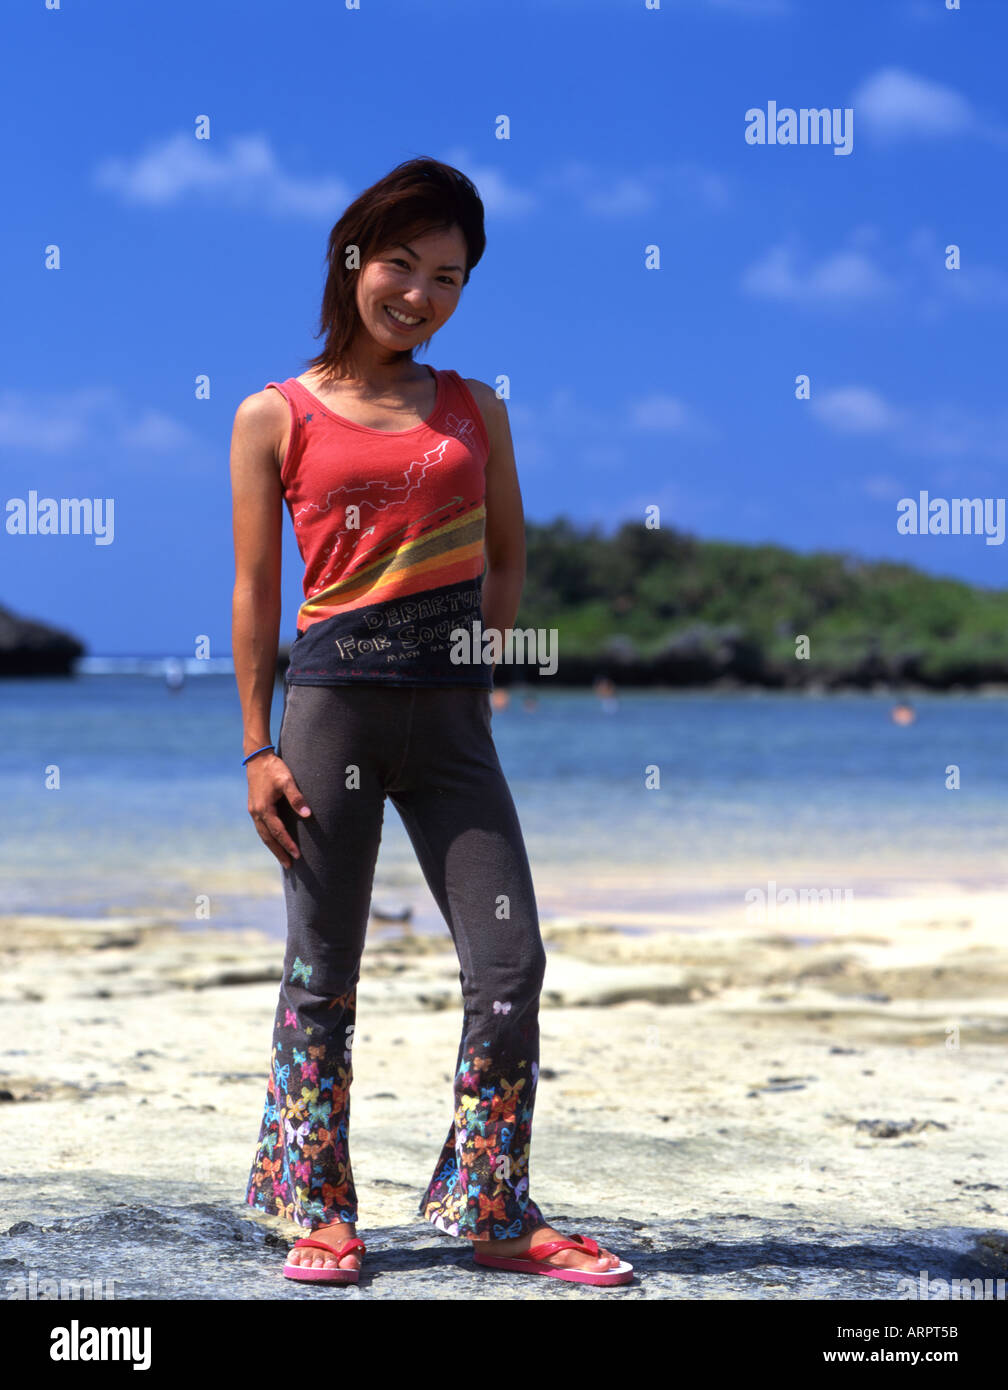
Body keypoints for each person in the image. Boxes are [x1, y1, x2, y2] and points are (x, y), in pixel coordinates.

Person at [229, 158, 632, 1288]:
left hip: (450, 725)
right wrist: (257, 745)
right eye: (401, 264)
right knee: (323, 968)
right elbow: (257, 597)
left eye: (448, 277)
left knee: (510, 964)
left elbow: (507, 554)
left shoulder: (475, 405)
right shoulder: (275, 415)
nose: (420, 294)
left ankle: (493, 1210)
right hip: (328, 717)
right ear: (353, 257)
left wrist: (477, 668)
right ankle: (318, 1206)